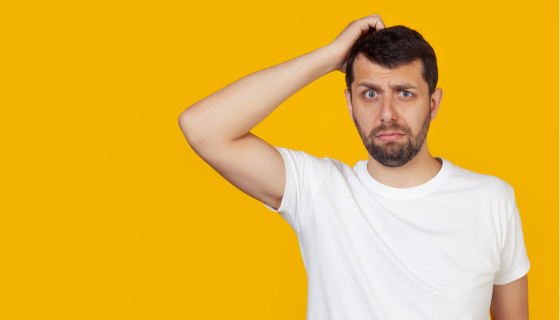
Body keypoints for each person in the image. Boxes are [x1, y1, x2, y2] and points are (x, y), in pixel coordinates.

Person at [178, 14, 530, 320]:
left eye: (405, 93)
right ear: (349, 102)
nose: (387, 113)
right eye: (370, 93)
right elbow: (203, 128)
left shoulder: (492, 200)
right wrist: (330, 57)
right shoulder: (318, 191)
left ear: (433, 104)